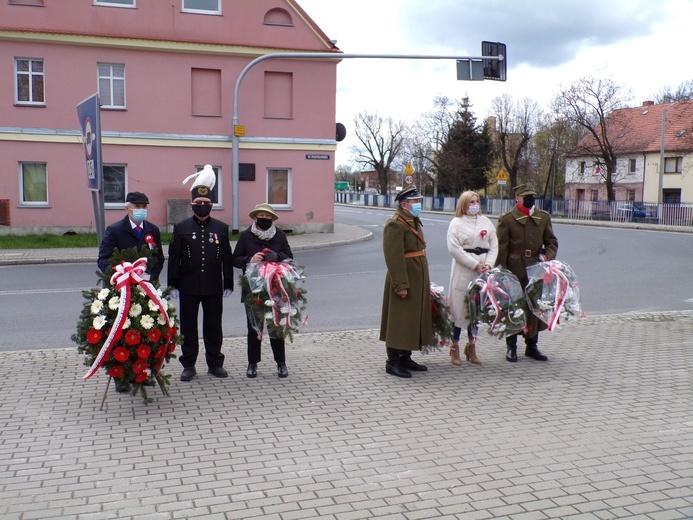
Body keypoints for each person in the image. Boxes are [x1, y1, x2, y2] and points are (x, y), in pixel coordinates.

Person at [167, 167, 234, 382]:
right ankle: (188, 365)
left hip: (213, 286)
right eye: (199, 203)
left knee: (214, 326)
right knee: (188, 326)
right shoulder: (181, 227)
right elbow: (174, 258)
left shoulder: (221, 228)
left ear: (211, 205)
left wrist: (229, 283)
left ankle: (215, 364)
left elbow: (226, 258)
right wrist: (173, 284)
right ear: (191, 205)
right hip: (188, 286)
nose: (202, 206)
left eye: (206, 203)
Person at [495, 184, 558, 362]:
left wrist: (548, 256)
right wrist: (501, 273)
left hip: (536, 269)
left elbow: (551, 241)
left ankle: (532, 346)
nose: (530, 199)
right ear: (517, 198)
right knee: (514, 307)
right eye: (526, 196)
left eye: (532, 196)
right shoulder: (506, 220)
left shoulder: (543, 218)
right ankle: (511, 347)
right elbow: (501, 248)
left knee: (534, 307)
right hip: (515, 269)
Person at [232, 203, 293, 378]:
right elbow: (234, 259)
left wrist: (278, 256)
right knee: (254, 327)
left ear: (272, 219)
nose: (264, 219)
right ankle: (252, 364)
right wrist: (249, 259)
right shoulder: (246, 236)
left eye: (268, 217)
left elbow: (290, 257)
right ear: (255, 217)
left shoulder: (280, 236)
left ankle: (281, 363)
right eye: (261, 216)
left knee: (276, 326)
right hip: (253, 289)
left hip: (275, 288)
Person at [379, 185, 433, 378]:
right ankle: (392, 361)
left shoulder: (413, 220)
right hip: (405, 277)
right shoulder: (396, 224)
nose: (418, 204)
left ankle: (405, 357)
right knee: (399, 320)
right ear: (404, 204)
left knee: (412, 319)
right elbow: (393, 258)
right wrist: (400, 284)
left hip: (417, 276)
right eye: (415, 202)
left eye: (418, 201)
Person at [446, 191, 498, 366]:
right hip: (464, 269)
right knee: (459, 310)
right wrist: (474, 264)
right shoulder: (456, 223)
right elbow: (454, 249)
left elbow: (494, 246)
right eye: (471, 202)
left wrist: (488, 265)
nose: (474, 205)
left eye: (476, 201)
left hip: (482, 271)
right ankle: (454, 346)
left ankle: (472, 346)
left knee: (475, 310)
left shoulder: (486, 222)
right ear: (464, 204)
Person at [97, 191, 165, 281]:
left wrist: (151, 277)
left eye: (144, 206)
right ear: (127, 209)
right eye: (137, 206)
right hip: (122, 283)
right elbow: (103, 259)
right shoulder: (114, 230)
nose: (141, 210)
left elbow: (158, 258)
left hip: (146, 283)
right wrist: (118, 275)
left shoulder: (153, 230)